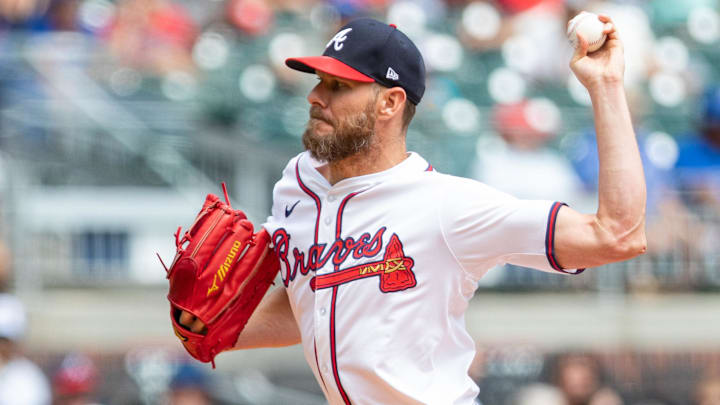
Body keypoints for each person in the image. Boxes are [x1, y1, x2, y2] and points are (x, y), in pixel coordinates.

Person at [178, 16, 646, 404]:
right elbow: (317, 303)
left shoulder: (445, 206)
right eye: (320, 80)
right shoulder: (297, 185)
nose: (316, 96)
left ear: (390, 102)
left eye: (340, 86)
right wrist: (220, 327)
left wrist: (605, 85)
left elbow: (617, 235)